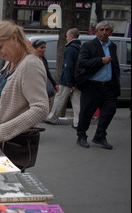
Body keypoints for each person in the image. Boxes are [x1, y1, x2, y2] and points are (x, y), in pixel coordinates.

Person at [0, 20, 49, 143]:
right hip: (3, 137)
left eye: (0, 47)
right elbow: (4, 101)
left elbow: (41, 108)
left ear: (14, 38)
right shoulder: (11, 62)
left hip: (16, 141)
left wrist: (3, 130)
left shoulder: (30, 64)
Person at [74, 21, 120, 150]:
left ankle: (100, 136)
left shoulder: (112, 46)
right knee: (86, 113)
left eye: (107, 30)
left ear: (110, 32)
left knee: (109, 111)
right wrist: (100, 60)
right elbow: (82, 62)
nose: (104, 32)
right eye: (101, 30)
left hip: (109, 86)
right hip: (92, 86)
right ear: (96, 31)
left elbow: (115, 65)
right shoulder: (89, 46)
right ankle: (81, 136)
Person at [44, 28, 82, 127]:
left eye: (67, 36)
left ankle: (52, 118)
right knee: (77, 102)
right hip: (78, 80)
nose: (66, 38)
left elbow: (68, 66)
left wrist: (69, 83)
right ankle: (78, 122)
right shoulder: (80, 48)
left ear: (71, 36)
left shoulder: (70, 49)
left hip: (67, 80)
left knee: (59, 99)